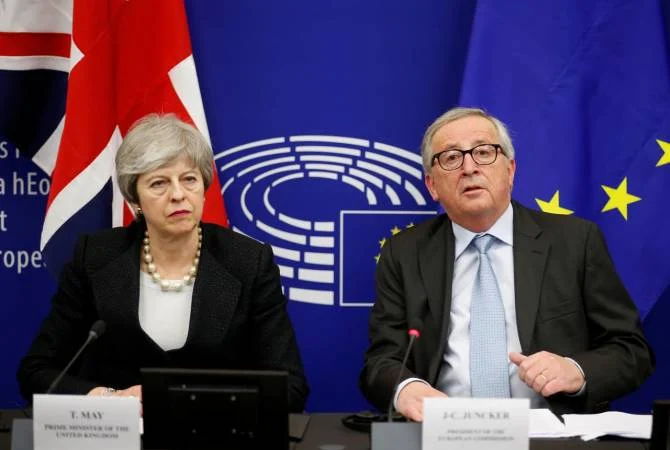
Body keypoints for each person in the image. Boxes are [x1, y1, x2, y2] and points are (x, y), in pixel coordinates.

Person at [359, 107, 654, 421]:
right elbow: (381, 360)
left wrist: (576, 370)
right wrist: (406, 388)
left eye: (484, 152)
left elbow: (631, 350)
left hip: (551, 433)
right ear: (432, 185)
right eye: (451, 157)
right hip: (444, 430)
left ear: (510, 170)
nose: (469, 167)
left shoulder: (575, 242)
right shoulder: (404, 252)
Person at [17, 114, 309, 412]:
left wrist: (196, 404)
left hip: (216, 432)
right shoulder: (95, 258)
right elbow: (36, 372)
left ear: (204, 187)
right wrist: (111, 399)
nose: (178, 195)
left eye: (189, 179)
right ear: (135, 200)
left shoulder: (248, 262)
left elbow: (291, 387)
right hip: (119, 433)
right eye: (159, 183)